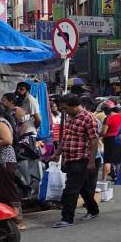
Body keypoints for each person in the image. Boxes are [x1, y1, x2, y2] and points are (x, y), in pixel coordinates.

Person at [51, 94, 100, 228]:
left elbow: (94, 140)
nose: (64, 111)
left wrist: (91, 161)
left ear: (73, 105)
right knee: (82, 187)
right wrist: (57, 153)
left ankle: (67, 218)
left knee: (70, 190)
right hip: (70, 158)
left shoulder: (88, 118)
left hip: (81, 159)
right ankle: (93, 209)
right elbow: (66, 139)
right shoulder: (70, 118)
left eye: (65, 108)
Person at [100, 100, 121, 183]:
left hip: (110, 140)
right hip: (120, 139)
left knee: (108, 160)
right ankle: (119, 179)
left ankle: (104, 179)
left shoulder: (108, 118)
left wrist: (99, 134)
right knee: (118, 161)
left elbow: (104, 132)